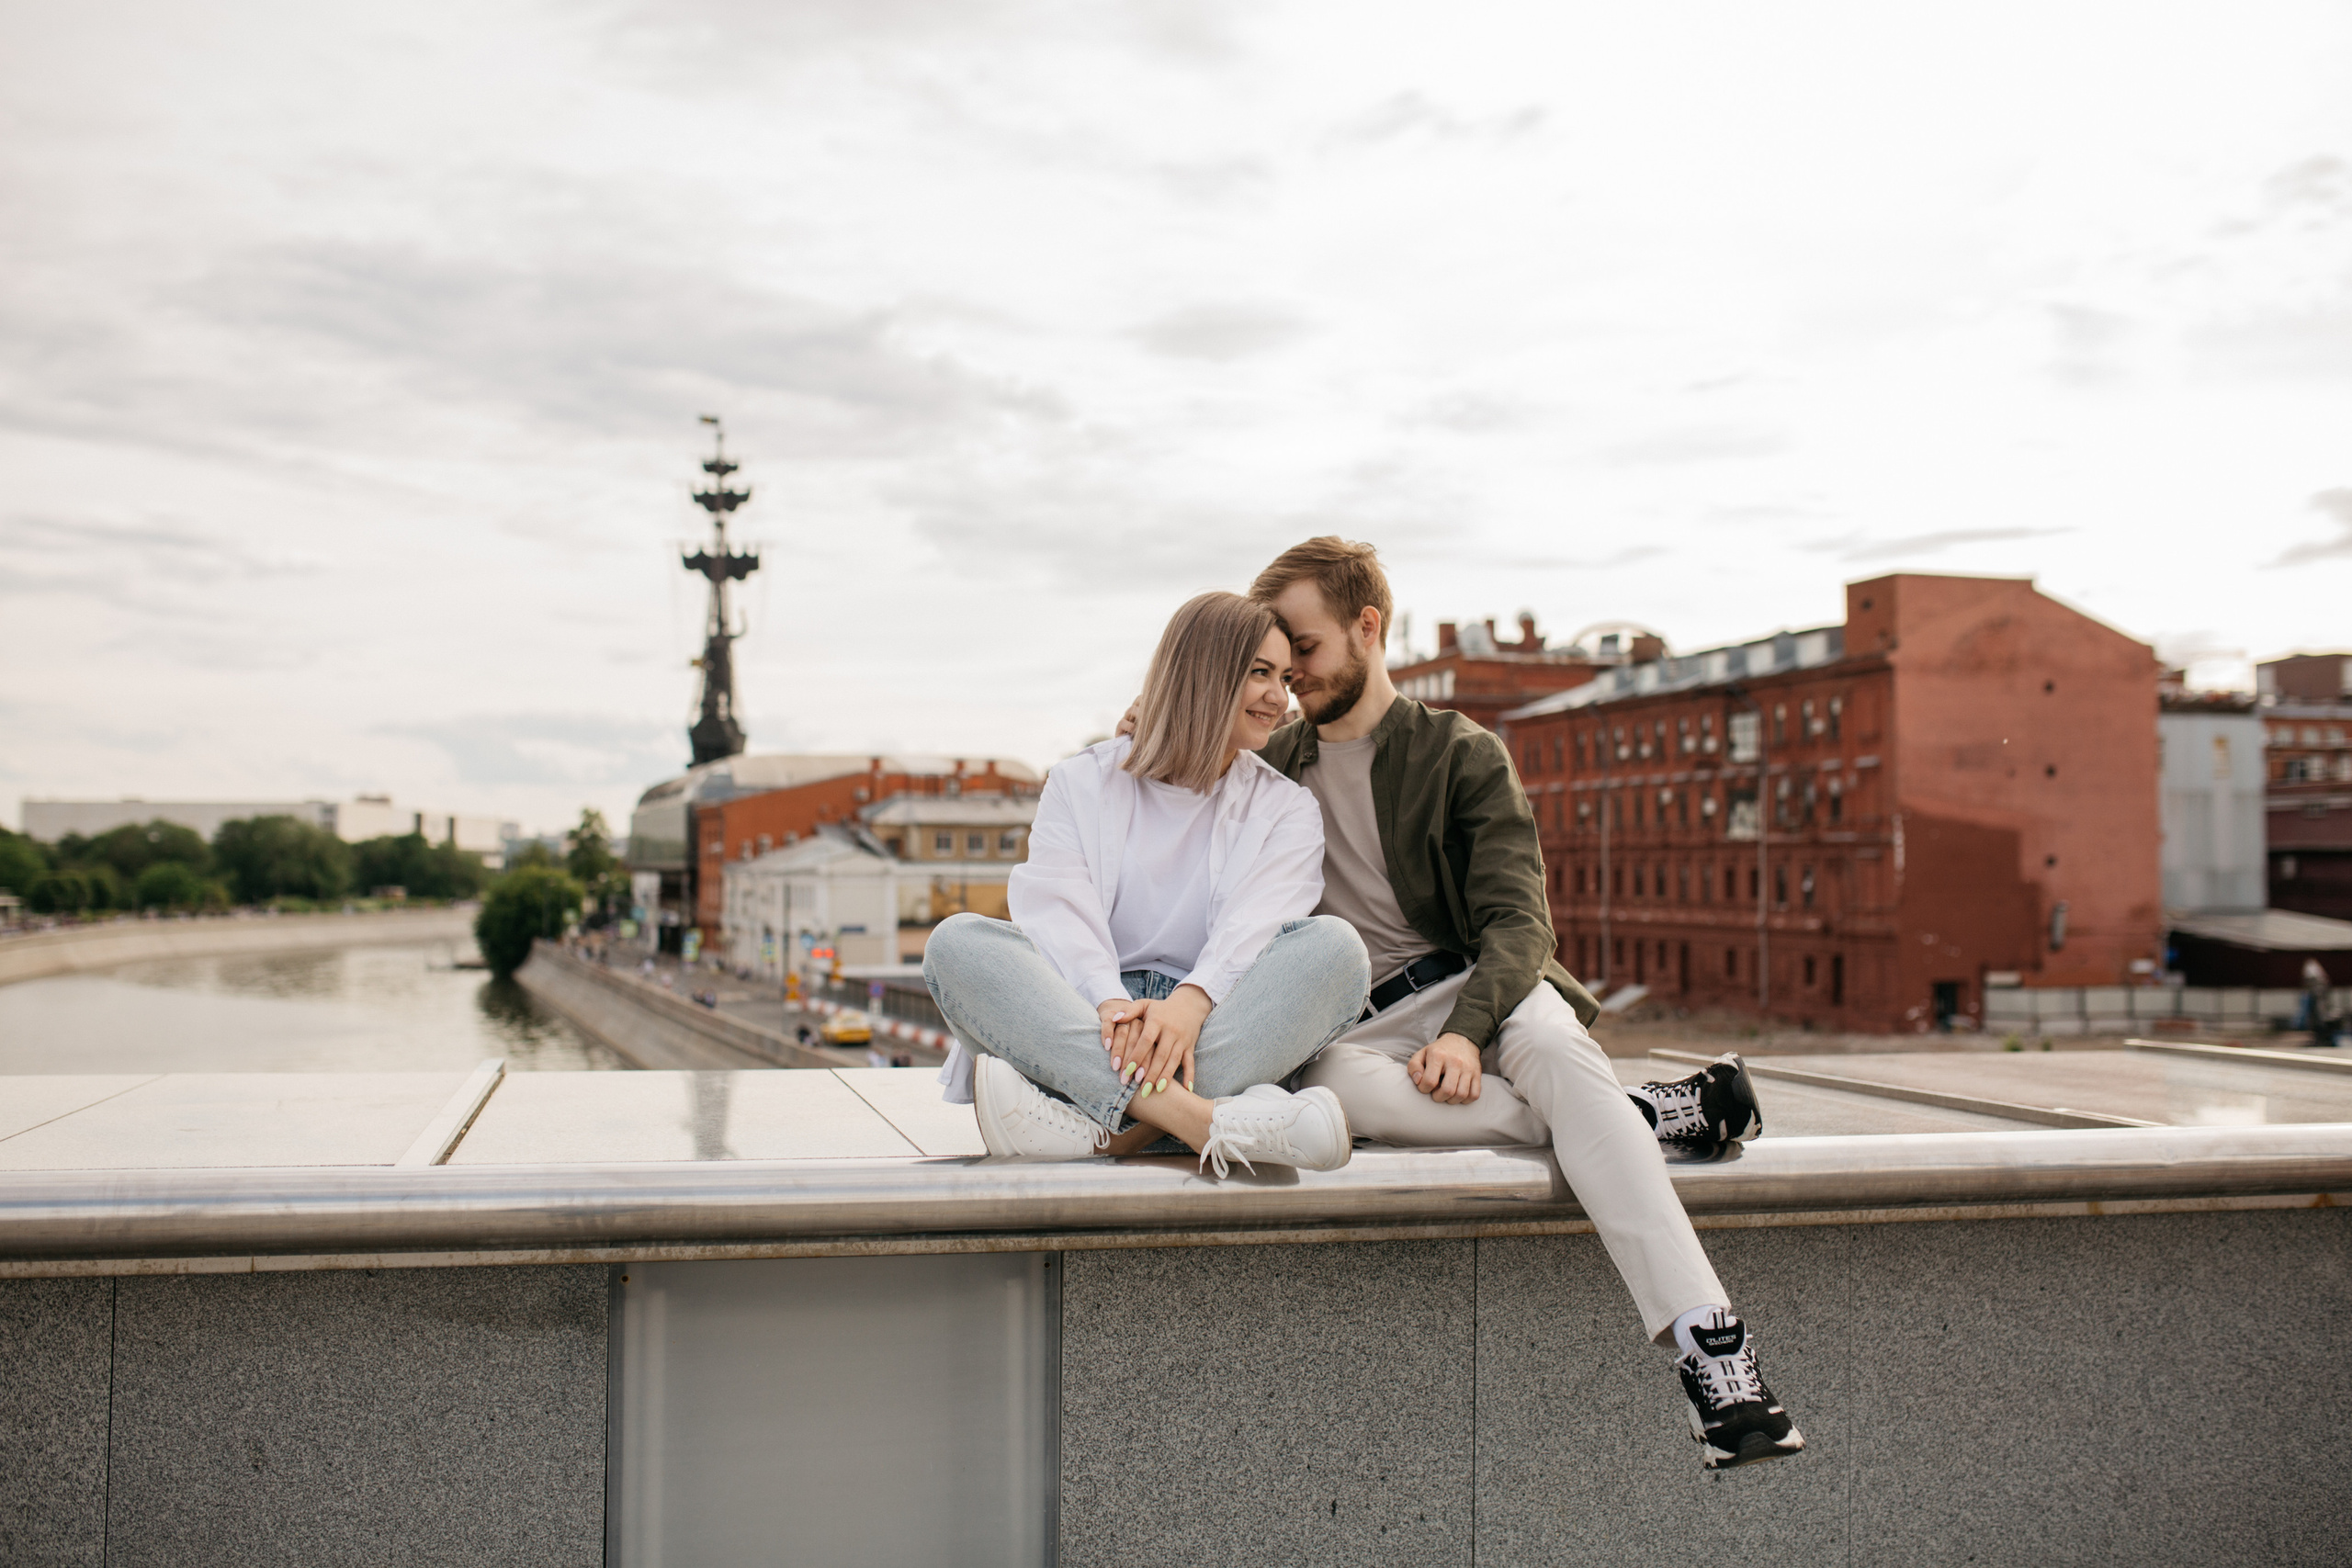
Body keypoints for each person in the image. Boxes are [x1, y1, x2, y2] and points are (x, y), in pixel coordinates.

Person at [1238, 536, 1802, 1472]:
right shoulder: (1272, 764)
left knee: (1553, 1046)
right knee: (1343, 1099)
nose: (1291, 675)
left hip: (1483, 986)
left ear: (1365, 628)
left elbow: (1518, 923)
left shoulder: (1458, 751)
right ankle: (1637, 1120)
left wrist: (1466, 1032)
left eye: (1305, 647)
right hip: (1359, 1023)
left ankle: (1717, 1361)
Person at [923, 591, 1372, 1176]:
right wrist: (1111, 1005)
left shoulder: (1286, 809)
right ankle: (1203, 1123)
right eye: (1259, 673)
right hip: (1089, 1018)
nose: (1277, 696)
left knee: (1337, 951)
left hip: (1214, 1025)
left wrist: (1188, 1004)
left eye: (1284, 678)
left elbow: (1256, 927)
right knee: (957, 944)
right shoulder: (1082, 781)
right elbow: (1057, 914)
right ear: (1204, 672)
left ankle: (1101, 1130)